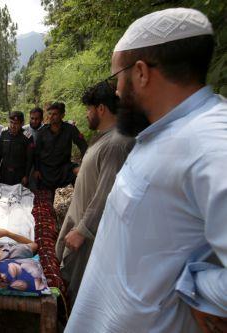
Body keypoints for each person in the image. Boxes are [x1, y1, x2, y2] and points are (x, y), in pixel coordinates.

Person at [65, 8, 227, 333]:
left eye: (116, 78)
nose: (115, 91)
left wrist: (204, 292)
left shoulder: (211, 141)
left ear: (140, 72)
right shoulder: (158, 132)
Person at [55, 81, 135, 307]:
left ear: (101, 108)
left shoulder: (117, 143)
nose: (86, 114)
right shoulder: (105, 138)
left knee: (79, 292)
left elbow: (106, 193)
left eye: (88, 109)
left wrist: (82, 230)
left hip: (89, 237)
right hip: (79, 224)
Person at [34, 102, 88, 191]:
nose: (51, 117)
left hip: (64, 167)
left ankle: (80, 202)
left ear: (62, 115)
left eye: (55, 114)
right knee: (46, 202)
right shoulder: (42, 132)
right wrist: (37, 169)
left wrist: (84, 164)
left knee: (80, 173)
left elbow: (83, 146)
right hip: (46, 170)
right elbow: (36, 153)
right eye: (50, 114)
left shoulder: (70, 129)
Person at [0, 111, 34, 186]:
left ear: (22, 123)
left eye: (16, 123)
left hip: (19, 174)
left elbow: (30, 158)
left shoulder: (27, 137)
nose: (13, 126)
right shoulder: (4, 133)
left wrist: (26, 175)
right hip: (5, 173)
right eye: (11, 122)